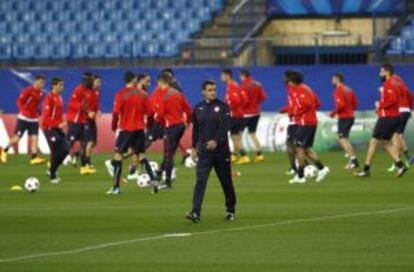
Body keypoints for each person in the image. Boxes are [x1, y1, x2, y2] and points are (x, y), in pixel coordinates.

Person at [186, 80, 236, 223]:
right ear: (203, 92)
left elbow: (225, 127)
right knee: (200, 181)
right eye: (209, 90)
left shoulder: (223, 107)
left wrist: (216, 140)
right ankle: (195, 212)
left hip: (221, 152)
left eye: (214, 89)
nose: (213, 92)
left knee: (226, 182)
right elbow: (196, 129)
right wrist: (193, 147)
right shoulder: (198, 108)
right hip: (204, 153)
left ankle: (230, 209)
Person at [107, 71, 158, 195]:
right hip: (140, 128)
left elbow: (115, 112)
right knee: (141, 155)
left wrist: (114, 126)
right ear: (134, 80)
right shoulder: (143, 94)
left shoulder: (120, 94)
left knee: (118, 155)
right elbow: (151, 113)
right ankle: (154, 181)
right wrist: (149, 125)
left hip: (126, 129)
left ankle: (116, 187)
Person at [356, 64, 408, 178]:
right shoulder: (397, 81)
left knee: (375, 142)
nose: (380, 74)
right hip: (394, 116)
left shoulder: (389, 83)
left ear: (387, 72)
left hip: (387, 117)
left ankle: (366, 170)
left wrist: (380, 106)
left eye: (381, 72)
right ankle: (400, 165)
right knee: (384, 142)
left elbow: (393, 99)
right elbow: (403, 93)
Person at [288, 72, 330, 184]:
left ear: (293, 82)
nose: (289, 84)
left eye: (290, 82)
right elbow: (318, 103)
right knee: (305, 147)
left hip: (305, 122)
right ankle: (322, 168)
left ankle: (301, 176)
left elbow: (306, 104)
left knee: (298, 146)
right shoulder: (307, 88)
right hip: (310, 121)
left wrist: (297, 112)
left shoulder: (301, 90)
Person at [154, 72, 192, 189]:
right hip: (180, 126)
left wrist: (157, 122)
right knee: (169, 152)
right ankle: (159, 174)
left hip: (170, 127)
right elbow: (189, 110)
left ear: (161, 82)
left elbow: (159, 115)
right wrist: (188, 123)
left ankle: (168, 182)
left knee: (169, 154)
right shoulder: (178, 94)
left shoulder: (163, 96)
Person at [0, 75, 46, 165]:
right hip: (24, 119)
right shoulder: (28, 90)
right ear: (35, 82)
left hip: (34, 120)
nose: (42, 85)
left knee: (35, 138)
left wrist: (39, 112)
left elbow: (37, 105)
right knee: (16, 139)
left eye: (43, 83)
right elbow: (19, 101)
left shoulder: (42, 94)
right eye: (41, 82)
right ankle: (4, 151)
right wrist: (23, 111)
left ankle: (34, 158)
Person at [64, 72, 96, 175]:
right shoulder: (78, 90)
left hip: (83, 120)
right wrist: (86, 109)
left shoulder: (91, 92)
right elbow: (72, 103)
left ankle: (83, 167)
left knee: (84, 142)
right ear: (86, 80)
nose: (92, 82)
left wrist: (90, 112)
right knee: (70, 142)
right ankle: (56, 160)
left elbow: (88, 106)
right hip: (75, 119)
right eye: (91, 80)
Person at [41, 77, 68, 184]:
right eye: (60, 85)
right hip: (49, 128)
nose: (62, 87)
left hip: (57, 128)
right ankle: (52, 175)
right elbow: (46, 117)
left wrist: (61, 123)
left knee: (65, 149)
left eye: (62, 85)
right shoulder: (49, 98)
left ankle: (52, 169)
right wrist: (58, 123)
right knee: (56, 150)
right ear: (54, 86)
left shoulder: (59, 98)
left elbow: (58, 114)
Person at [329, 73, 359, 169]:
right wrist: (350, 110)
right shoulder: (348, 89)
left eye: (333, 79)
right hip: (350, 116)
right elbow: (355, 103)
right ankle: (350, 157)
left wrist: (333, 113)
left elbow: (341, 105)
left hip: (344, 117)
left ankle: (353, 160)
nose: (331, 81)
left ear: (337, 80)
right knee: (342, 139)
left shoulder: (338, 90)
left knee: (342, 139)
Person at [386, 71, 414, 172]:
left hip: (399, 111)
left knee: (395, 136)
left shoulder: (392, 85)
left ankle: (396, 162)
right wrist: (410, 109)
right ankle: (409, 157)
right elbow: (411, 96)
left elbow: (391, 100)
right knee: (398, 136)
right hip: (405, 111)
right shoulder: (403, 87)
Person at [239, 69, 267, 163]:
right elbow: (263, 97)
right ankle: (259, 154)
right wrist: (255, 104)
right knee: (252, 134)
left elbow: (244, 101)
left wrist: (241, 108)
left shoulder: (243, 86)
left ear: (243, 76)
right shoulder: (257, 84)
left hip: (245, 114)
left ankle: (243, 156)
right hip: (256, 113)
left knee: (237, 135)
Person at [221, 69, 248, 163]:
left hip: (235, 115)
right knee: (236, 136)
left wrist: (228, 108)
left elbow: (236, 101)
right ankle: (234, 155)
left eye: (223, 75)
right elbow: (244, 99)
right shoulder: (233, 85)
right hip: (238, 114)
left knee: (234, 136)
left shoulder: (232, 86)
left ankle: (244, 156)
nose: (221, 77)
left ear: (228, 76)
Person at [279, 70, 298, 175]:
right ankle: (297, 165)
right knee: (296, 145)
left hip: (295, 121)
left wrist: (290, 112)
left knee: (290, 144)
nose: (284, 79)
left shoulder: (293, 90)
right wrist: (284, 109)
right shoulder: (292, 89)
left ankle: (295, 167)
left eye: (285, 77)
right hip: (295, 120)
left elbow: (295, 105)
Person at [84, 74, 101, 169]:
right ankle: (87, 162)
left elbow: (96, 104)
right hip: (86, 119)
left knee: (93, 142)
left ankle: (77, 155)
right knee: (90, 141)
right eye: (97, 82)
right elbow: (83, 105)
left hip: (92, 119)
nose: (99, 84)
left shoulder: (97, 92)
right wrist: (88, 112)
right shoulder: (87, 92)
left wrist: (97, 110)